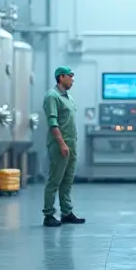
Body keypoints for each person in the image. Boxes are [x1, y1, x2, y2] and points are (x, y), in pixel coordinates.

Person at [42, 66, 84, 227]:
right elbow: (53, 123)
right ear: (61, 77)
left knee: (67, 180)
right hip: (60, 145)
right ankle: (48, 214)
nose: (72, 79)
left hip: (71, 145)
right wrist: (61, 143)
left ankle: (66, 212)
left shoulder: (68, 97)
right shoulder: (52, 96)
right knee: (55, 180)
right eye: (70, 76)